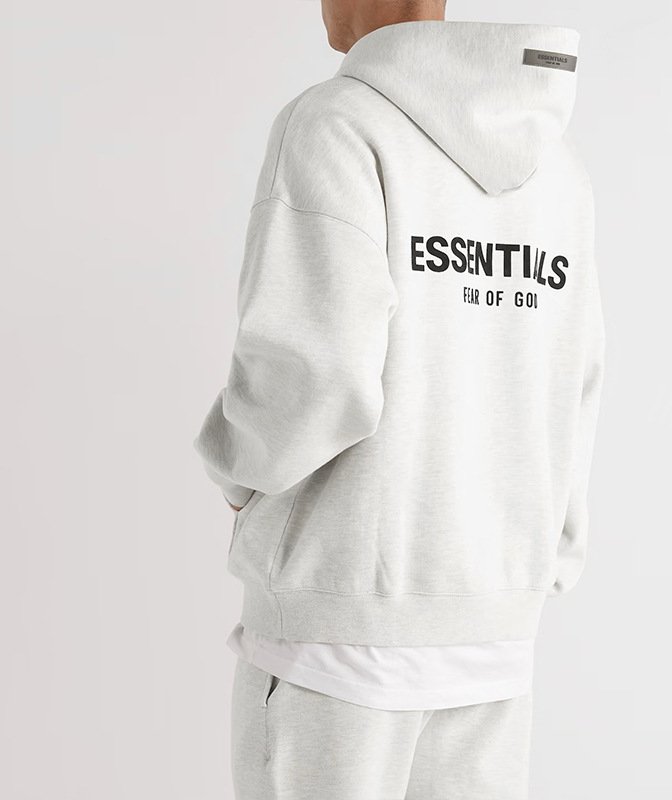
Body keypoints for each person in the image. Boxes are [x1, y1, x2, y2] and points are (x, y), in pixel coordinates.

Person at [193, 0, 605, 797]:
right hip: (494, 632)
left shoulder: (338, 125)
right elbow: (576, 378)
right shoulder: (558, 167)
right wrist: (544, 558)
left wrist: (238, 473)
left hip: (339, 632)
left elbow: (315, 370)